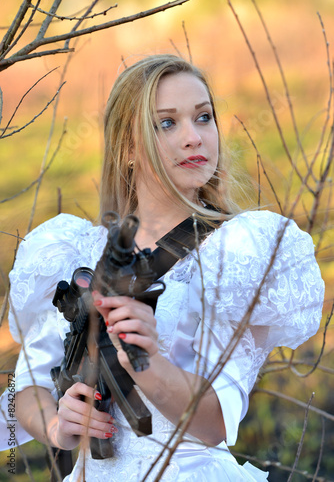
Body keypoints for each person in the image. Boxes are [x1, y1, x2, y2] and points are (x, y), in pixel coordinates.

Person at [0, 54, 324, 481]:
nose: (194, 138)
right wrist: (58, 425)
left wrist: (146, 360)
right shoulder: (71, 250)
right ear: (127, 148)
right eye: (166, 123)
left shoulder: (237, 252)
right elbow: (22, 392)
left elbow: (213, 424)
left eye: (204, 117)